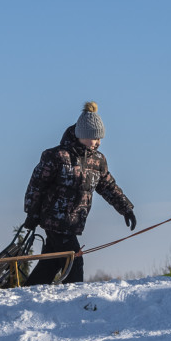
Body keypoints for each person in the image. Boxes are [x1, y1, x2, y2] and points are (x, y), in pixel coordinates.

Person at [23, 101, 136, 285]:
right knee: (74, 260)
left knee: (50, 264)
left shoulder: (98, 161)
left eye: (100, 139)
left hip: (74, 222)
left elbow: (108, 186)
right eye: (95, 138)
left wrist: (126, 208)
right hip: (55, 219)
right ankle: (76, 297)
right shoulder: (57, 156)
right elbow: (37, 185)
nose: (98, 142)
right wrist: (32, 213)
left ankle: (28, 292)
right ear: (82, 135)